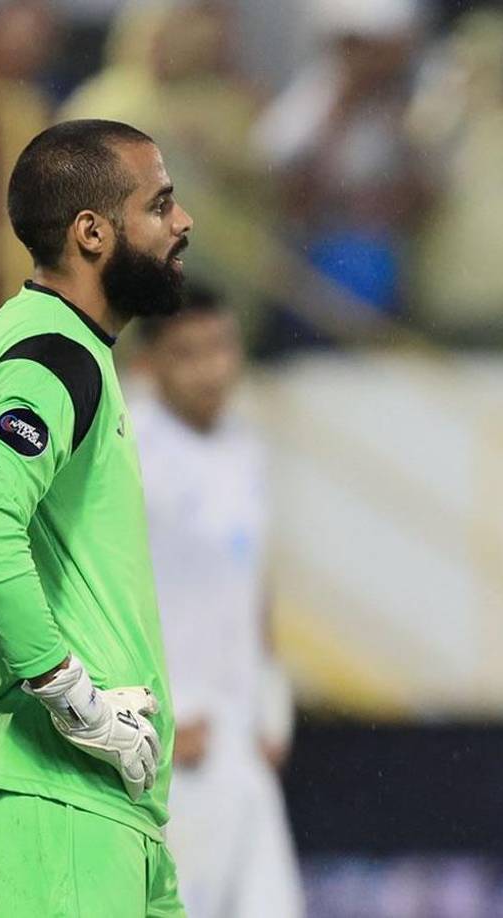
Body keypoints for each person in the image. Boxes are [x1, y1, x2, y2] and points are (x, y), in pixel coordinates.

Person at [0, 119, 194, 917]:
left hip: (104, 802)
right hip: (58, 791)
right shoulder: (56, 357)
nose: (182, 224)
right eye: (160, 205)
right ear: (92, 232)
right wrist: (74, 700)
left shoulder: (52, 345)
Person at [130, 288, 304, 918]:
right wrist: (147, 720)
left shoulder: (245, 451)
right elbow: (85, 600)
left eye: (222, 348)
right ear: (149, 364)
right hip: (171, 741)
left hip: (238, 734)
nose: (212, 369)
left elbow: (252, 587)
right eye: (188, 353)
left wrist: (272, 700)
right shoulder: (125, 458)